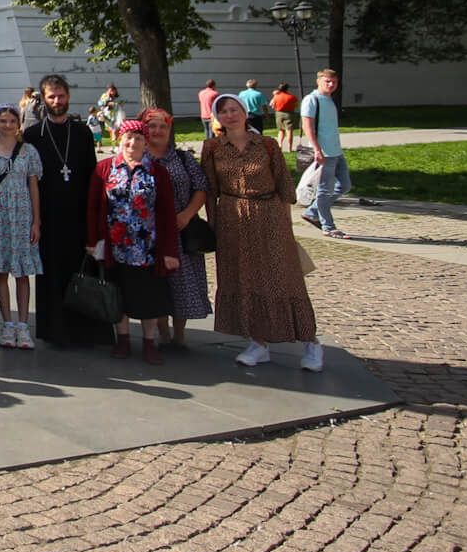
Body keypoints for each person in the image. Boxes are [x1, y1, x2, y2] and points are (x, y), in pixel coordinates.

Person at [201, 94, 323, 370]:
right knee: (245, 279)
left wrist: (285, 225)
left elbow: (283, 186)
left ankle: (310, 342)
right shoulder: (212, 148)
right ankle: (258, 343)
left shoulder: (266, 145)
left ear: (245, 113)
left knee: (284, 278)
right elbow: (209, 190)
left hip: (268, 215)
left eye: (234, 110)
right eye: (223, 112)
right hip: (232, 218)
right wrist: (213, 224)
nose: (229, 115)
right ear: (217, 118)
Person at [86, 119, 178, 364]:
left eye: (138, 138)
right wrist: (93, 240)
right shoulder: (105, 168)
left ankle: (149, 342)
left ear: (145, 142)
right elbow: (94, 208)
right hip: (116, 247)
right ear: (119, 139)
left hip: (146, 247)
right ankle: (123, 339)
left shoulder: (157, 171)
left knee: (147, 297)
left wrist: (169, 250)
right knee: (119, 295)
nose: (133, 142)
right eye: (128, 137)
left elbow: (167, 211)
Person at [25, 74, 106, 347]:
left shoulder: (81, 132)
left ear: (68, 96)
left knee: (81, 271)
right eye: (51, 97)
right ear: (43, 99)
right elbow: (29, 180)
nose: (57, 101)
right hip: (48, 215)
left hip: (79, 214)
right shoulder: (33, 135)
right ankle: (55, 330)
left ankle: (85, 330)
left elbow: (93, 176)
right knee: (52, 273)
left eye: (61, 96)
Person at [140, 108, 211, 349]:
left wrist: (187, 214)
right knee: (156, 284)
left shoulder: (182, 159)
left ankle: (179, 333)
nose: (157, 131)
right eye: (152, 126)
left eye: (163, 126)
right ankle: (162, 333)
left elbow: (201, 187)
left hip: (181, 229)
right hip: (149, 233)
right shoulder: (137, 157)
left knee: (183, 284)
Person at [0, 104, 42, 350]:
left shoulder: (29, 151)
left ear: (18, 123)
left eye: (12, 121)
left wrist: (37, 220)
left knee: (22, 273)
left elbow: (34, 187)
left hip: (22, 214)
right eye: (2, 121)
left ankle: (23, 325)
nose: (7, 125)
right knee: (1, 271)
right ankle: (7, 324)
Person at [297, 69, 350, 238]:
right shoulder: (312, 100)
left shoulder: (329, 99)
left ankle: (312, 212)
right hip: (324, 153)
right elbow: (307, 126)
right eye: (327, 81)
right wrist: (317, 149)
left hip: (336, 151)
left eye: (334, 82)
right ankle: (328, 227)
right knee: (324, 191)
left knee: (344, 185)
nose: (331, 84)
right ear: (318, 81)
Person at [270, 84, 298, 151]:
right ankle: (289, 147)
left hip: (279, 114)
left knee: (281, 130)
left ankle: (280, 145)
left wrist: (274, 95)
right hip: (289, 114)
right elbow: (296, 105)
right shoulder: (292, 97)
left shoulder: (276, 96)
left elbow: (271, 105)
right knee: (289, 130)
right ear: (287, 89)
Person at [196, 78, 219, 144]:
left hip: (203, 114)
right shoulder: (215, 93)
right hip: (212, 115)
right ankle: (211, 147)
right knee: (212, 132)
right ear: (214, 85)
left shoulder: (201, 93)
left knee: (206, 130)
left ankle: (207, 145)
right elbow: (217, 104)